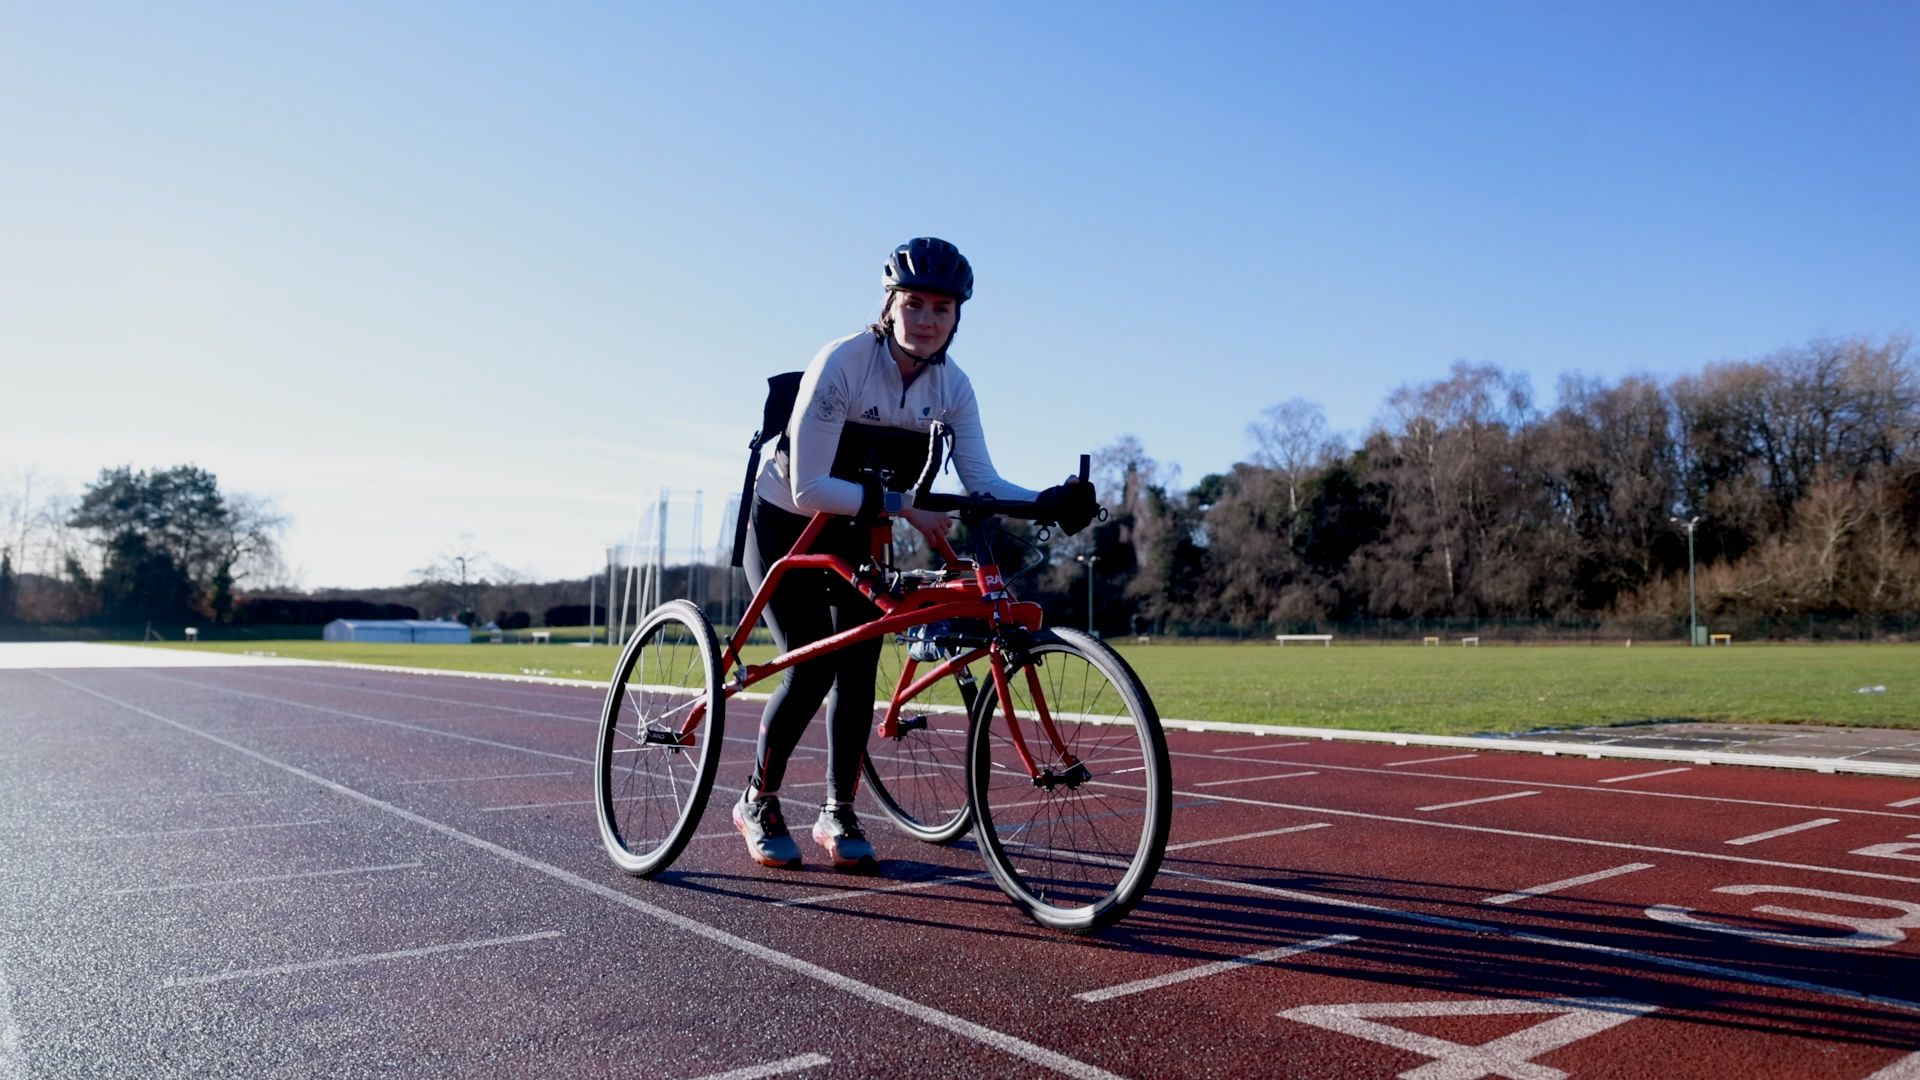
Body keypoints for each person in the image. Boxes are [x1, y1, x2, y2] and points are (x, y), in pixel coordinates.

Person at [735, 237, 1096, 871]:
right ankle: (758, 801)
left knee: (857, 667)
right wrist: (905, 505)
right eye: (914, 304)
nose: (927, 320)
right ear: (889, 305)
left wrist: (1047, 499)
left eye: (942, 308)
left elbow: (981, 481)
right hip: (786, 525)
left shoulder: (953, 386)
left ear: (957, 318)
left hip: (856, 530)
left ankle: (836, 811)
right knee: (812, 665)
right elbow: (810, 486)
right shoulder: (843, 362)